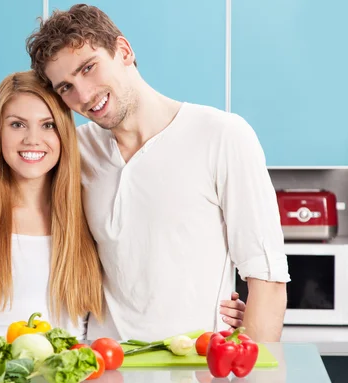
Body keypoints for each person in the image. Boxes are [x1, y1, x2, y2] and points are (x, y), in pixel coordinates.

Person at [24, 4, 289, 342]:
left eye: (89, 68)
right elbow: (18, 219)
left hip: (198, 375)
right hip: (106, 371)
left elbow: (267, 278)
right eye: (66, 87)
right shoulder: (76, 150)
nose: (84, 95)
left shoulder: (222, 135)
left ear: (123, 51)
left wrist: (250, 381)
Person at [0, 71, 245, 340]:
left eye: (48, 125)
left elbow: (146, 270)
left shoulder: (84, 211)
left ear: (65, 134)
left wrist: (216, 306)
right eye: (17, 125)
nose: (32, 139)